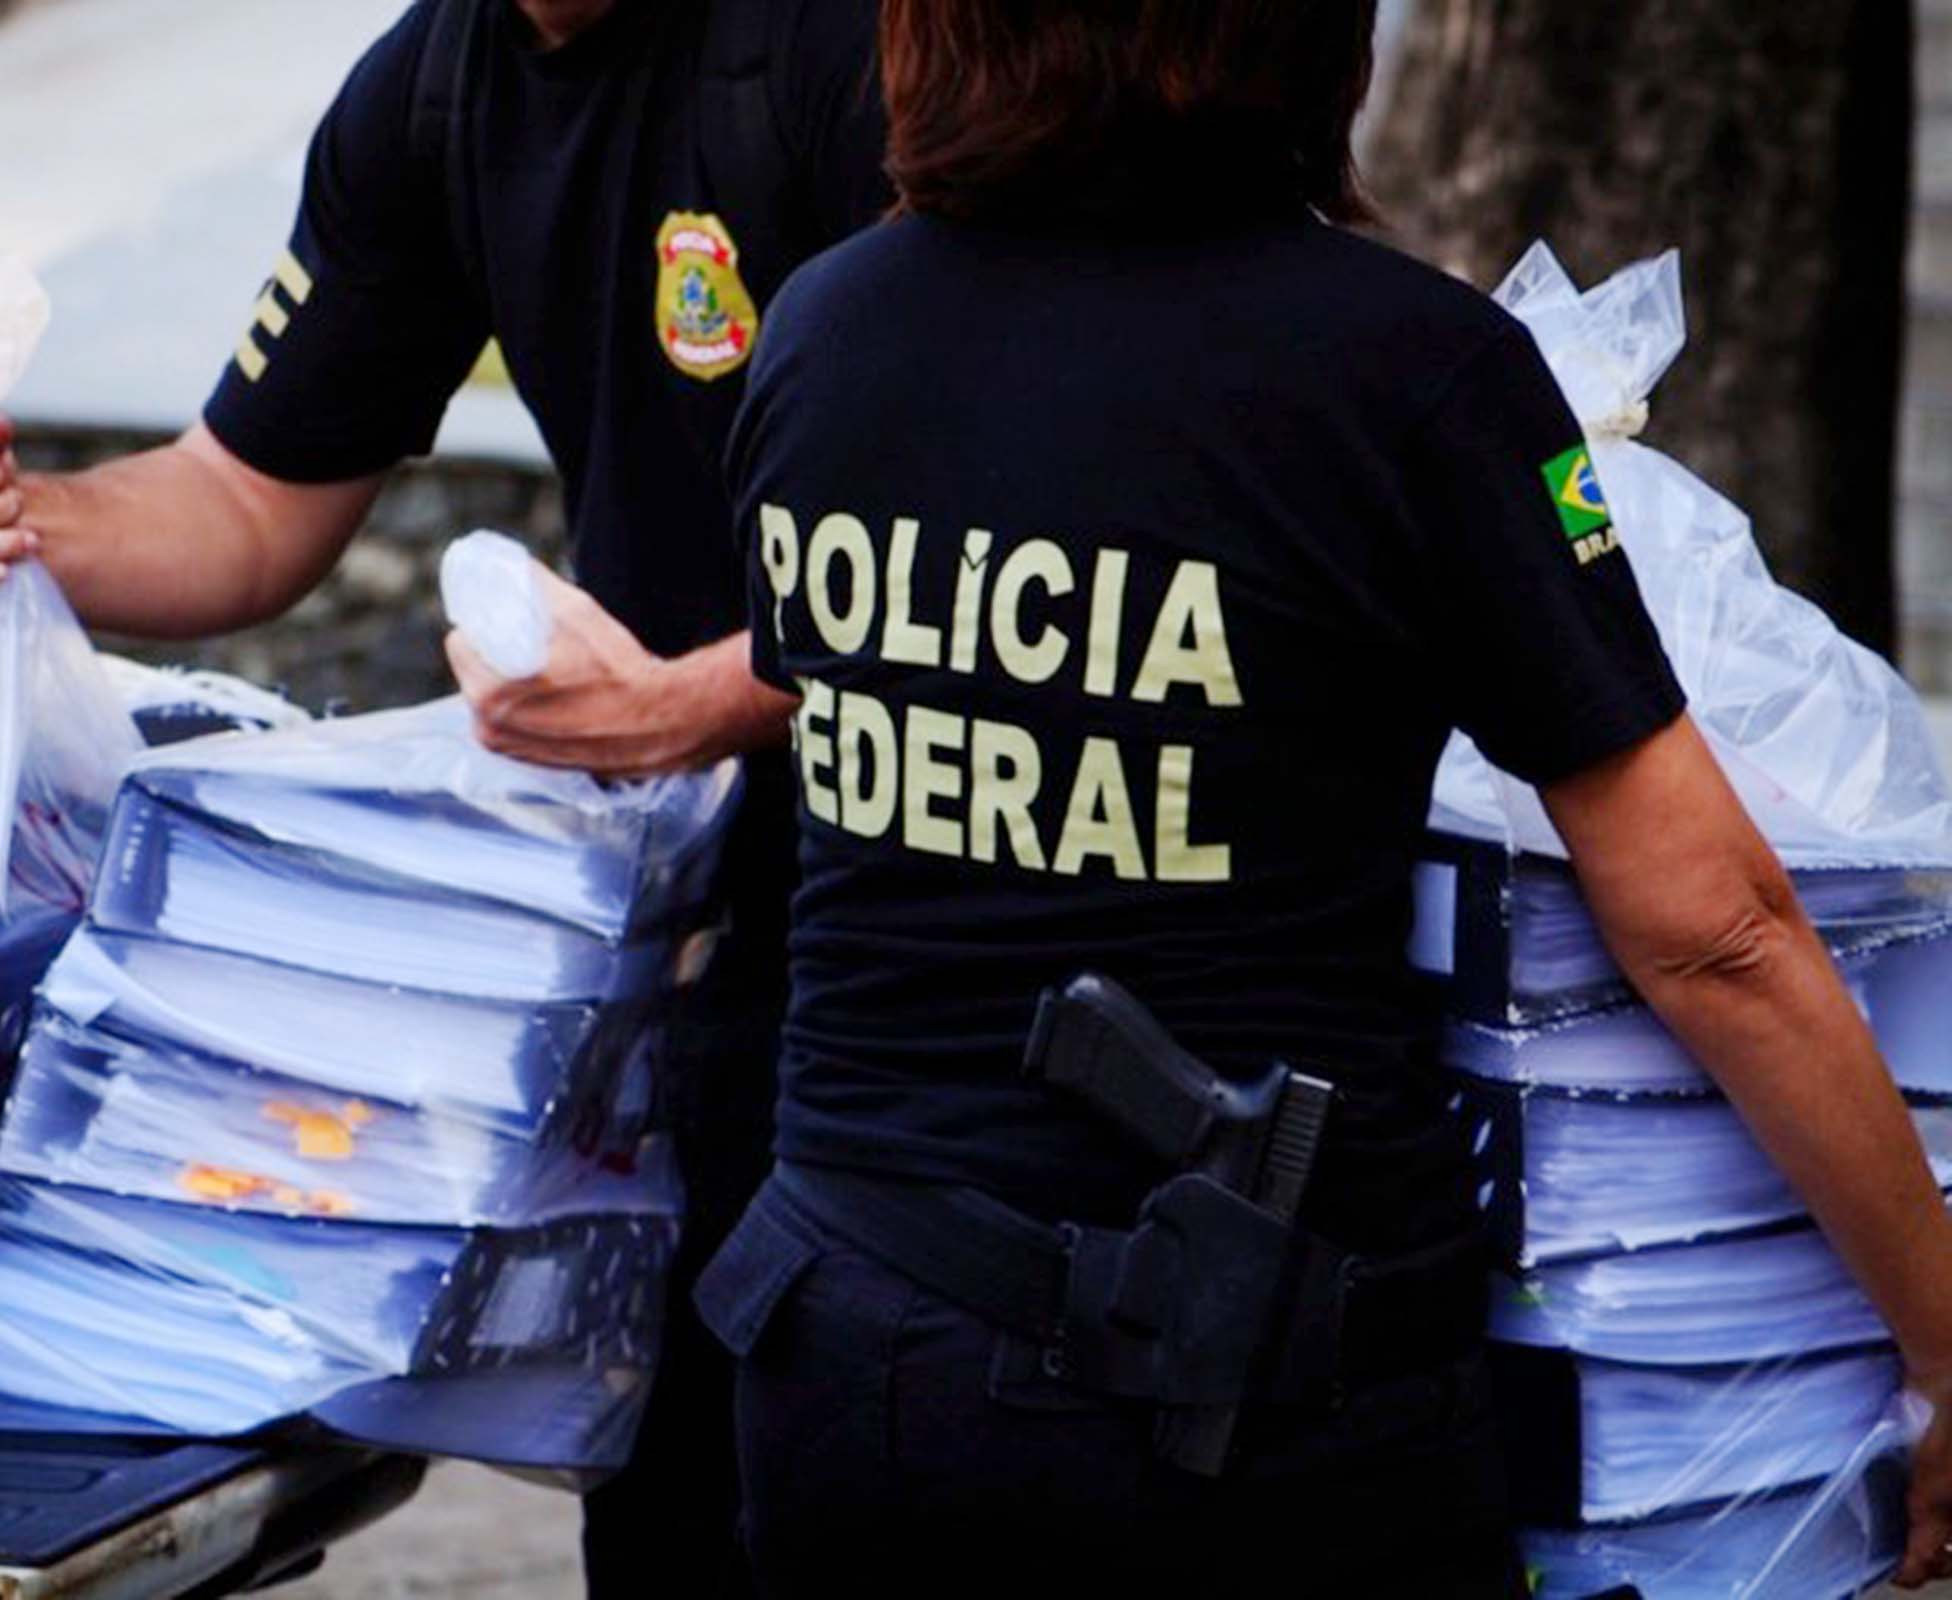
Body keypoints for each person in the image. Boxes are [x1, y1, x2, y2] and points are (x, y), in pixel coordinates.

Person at [699, 1, 1952, 1593]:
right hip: (1255, 1409)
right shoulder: (1414, 372)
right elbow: (1712, 926)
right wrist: (1942, 1331)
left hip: (850, 1353)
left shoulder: (820, 328)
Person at [0, 2, 889, 1591]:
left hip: (925, 930)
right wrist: (3, 519)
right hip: (667, 948)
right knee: (680, 1502)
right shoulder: (432, 88)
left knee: (868, 1480)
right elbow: (241, 499)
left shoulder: (840, 51)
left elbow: (1000, 536)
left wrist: (690, 705)